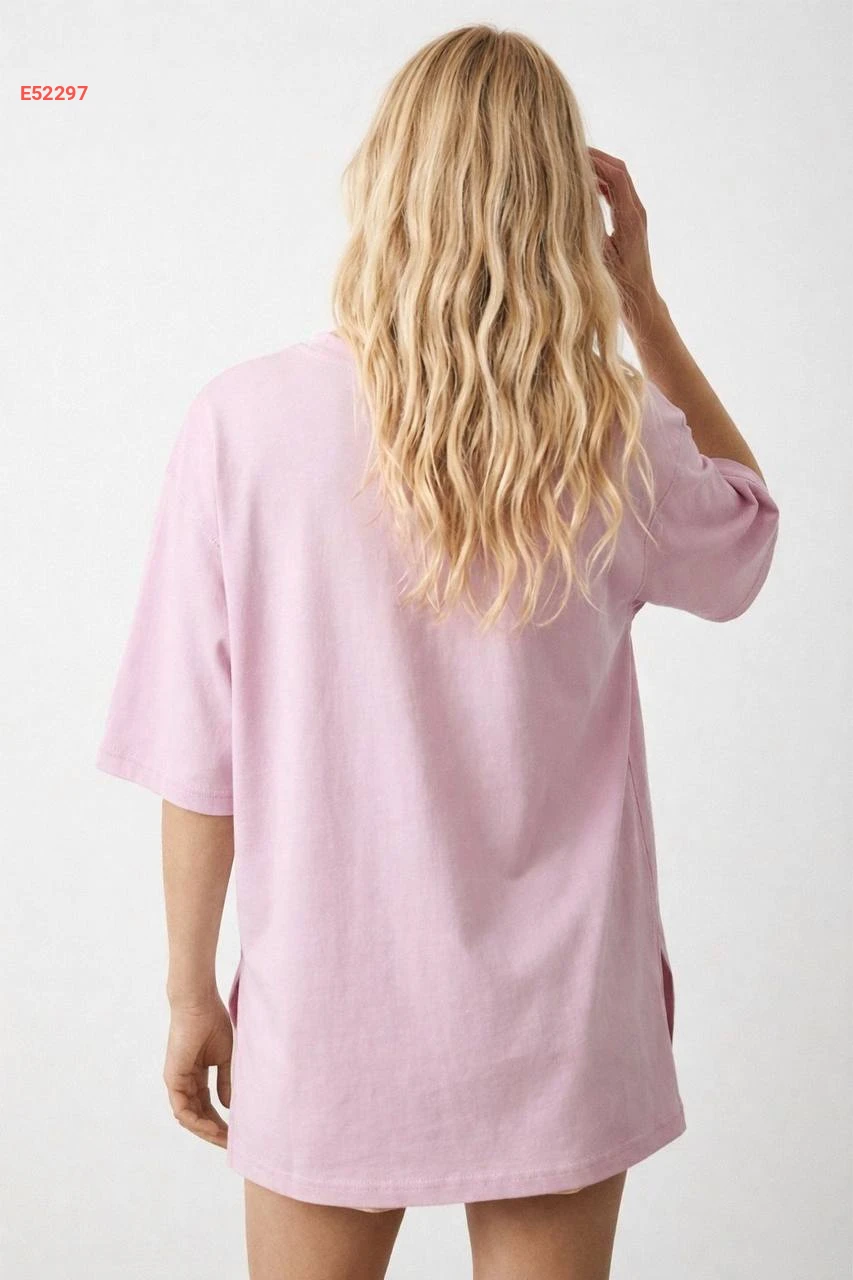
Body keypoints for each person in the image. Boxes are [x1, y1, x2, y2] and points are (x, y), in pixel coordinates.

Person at [94, 23, 780, 1280]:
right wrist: (642, 303)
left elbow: (199, 754)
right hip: (561, 1021)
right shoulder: (612, 431)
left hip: (327, 1013)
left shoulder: (245, 424)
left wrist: (191, 989)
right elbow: (744, 540)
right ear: (559, 207)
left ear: (386, 180)